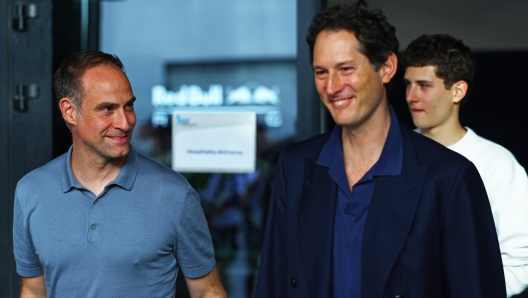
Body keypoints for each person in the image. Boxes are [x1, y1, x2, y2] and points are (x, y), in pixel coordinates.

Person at [254, 1, 506, 297]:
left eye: (346, 69)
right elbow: (273, 281)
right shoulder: (296, 166)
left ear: (387, 67)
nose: (332, 86)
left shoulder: (448, 177)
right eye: (321, 72)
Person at [13, 51, 226, 298]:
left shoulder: (174, 194)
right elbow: (33, 291)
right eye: (107, 109)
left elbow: (207, 293)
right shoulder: (31, 191)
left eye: (129, 106)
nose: (125, 123)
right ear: (69, 111)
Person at [402, 34, 528, 297]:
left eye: (424, 85)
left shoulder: (498, 165)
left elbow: (519, 263)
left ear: (457, 91)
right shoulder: (390, 155)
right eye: (408, 84)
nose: (411, 96)